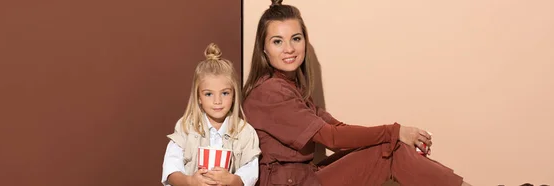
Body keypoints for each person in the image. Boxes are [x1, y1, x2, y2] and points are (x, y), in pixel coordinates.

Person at [242, 1, 470, 185]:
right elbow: (333, 138)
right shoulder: (270, 92)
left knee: (388, 147)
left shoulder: (291, 87)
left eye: (296, 38)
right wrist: (395, 131)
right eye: (277, 41)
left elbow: (337, 130)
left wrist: (394, 136)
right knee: (389, 151)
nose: (289, 49)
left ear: (304, 41)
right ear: (263, 48)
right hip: (293, 183)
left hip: (304, 177)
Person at [162, 43, 261, 186]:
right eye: (209, 94)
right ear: (199, 97)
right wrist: (190, 181)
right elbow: (171, 169)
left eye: (225, 93)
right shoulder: (185, 127)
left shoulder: (245, 132)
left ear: (234, 95)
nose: (217, 101)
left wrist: (232, 180)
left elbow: (250, 172)